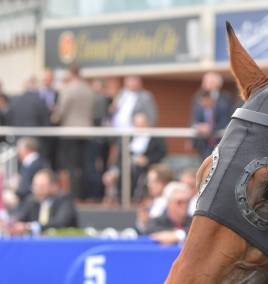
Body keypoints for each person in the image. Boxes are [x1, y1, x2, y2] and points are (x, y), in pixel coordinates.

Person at [51, 64, 96, 200]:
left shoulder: (68, 89)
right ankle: (85, 194)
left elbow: (61, 111)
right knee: (84, 165)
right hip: (86, 131)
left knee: (71, 166)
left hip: (70, 132)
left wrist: (54, 118)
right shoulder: (89, 89)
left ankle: (74, 195)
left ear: (71, 73)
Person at [102, 112, 166, 203]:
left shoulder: (155, 137)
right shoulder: (128, 137)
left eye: (141, 124)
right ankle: (120, 199)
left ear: (147, 124)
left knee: (133, 170)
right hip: (125, 165)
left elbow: (161, 153)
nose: (139, 127)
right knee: (116, 173)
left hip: (145, 166)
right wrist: (114, 170)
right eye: (137, 125)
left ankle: (132, 199)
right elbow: (120, 156)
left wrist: (147, 160)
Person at [11, 169, 78, 235]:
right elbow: (19, 217)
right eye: (35, 186)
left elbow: (60, 223)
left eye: (41, 186)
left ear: (53, 186)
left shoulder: (65, 200)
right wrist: (14, 224)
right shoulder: (31, 201)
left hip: (60, 242)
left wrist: (32, 227)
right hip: (35, 244)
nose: (37, 190)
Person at [191, 72, 233, 159]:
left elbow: (228, 119)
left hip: (220, 141)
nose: (205, 84)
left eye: (209, 82)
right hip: (203, 143)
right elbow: (193, 118)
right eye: (205, 82)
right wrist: (198, 126)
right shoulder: (197, 97)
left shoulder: (226, 98)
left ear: (217, 84)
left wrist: (211, 128)